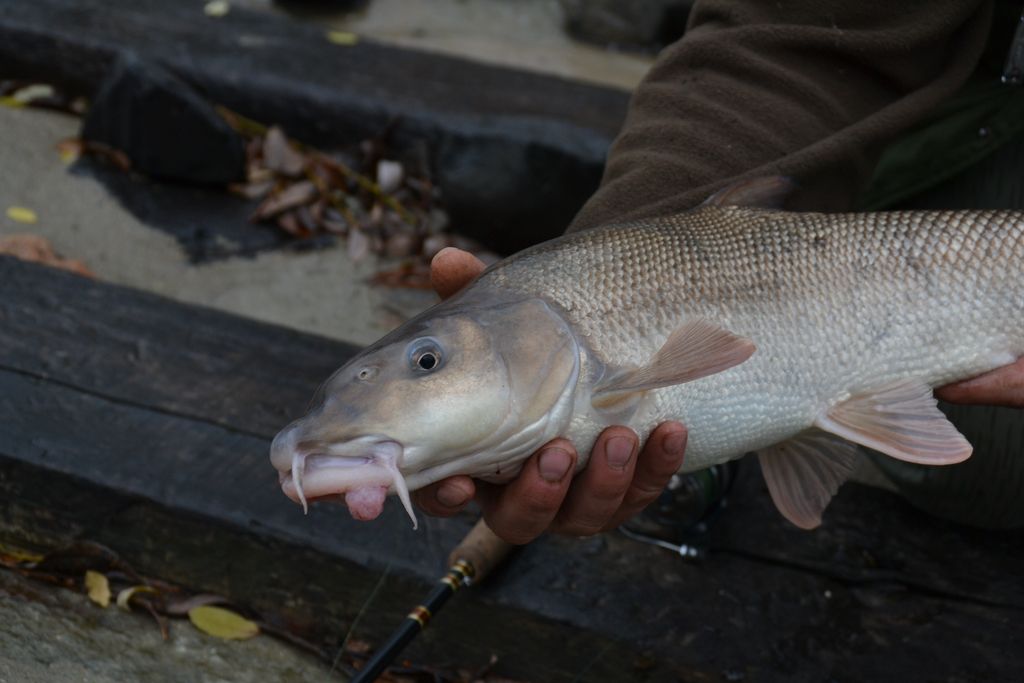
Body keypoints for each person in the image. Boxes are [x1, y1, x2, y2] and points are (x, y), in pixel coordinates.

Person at [414, 0, 1024, 542]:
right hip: (978, 74)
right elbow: (791, 29)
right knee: (983, 477)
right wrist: (622, 258)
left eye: (426, 363)